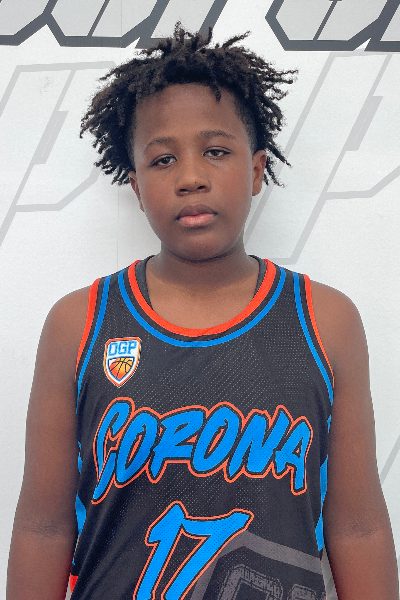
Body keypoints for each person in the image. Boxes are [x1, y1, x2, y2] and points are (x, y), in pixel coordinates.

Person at [6, 24, 399, 600]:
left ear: (257, 169)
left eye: (216, 152)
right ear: (136, 186)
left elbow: (357, 527)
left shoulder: (325, 320)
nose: (191, 178)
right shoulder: (79, 324)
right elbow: (43, 528)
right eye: (163, 159)